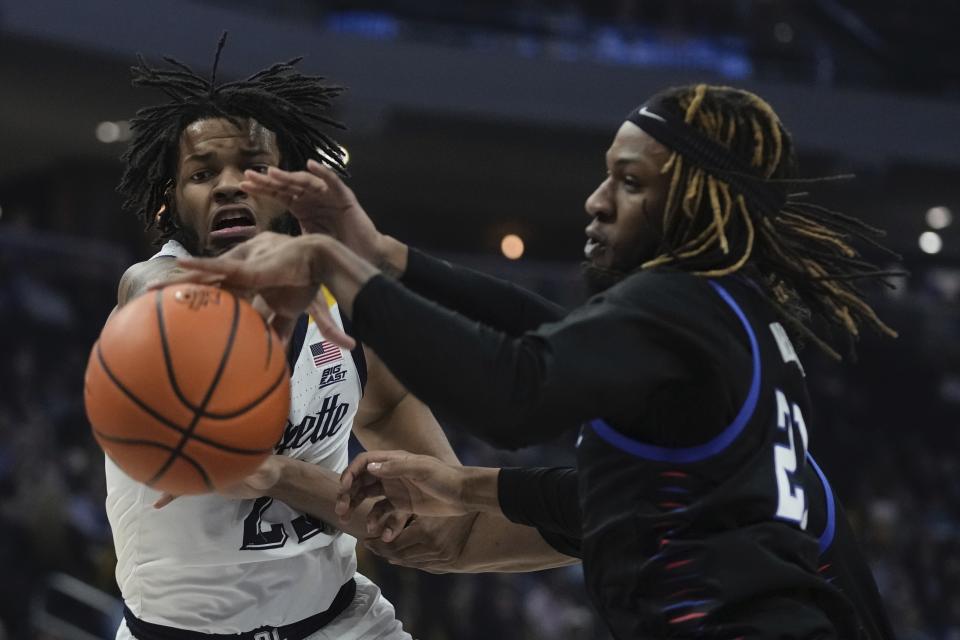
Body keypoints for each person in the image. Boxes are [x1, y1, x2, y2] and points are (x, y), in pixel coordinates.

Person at [173, 84, 899, 638]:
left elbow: (516, 392)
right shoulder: (733, 316)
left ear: (695, 204)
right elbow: (579, 395)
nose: (596, 201)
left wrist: (337, 267)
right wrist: (386, 258)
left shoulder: (677, 305)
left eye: (630, 181)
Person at [105, 36, 470, 640]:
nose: (229, 186)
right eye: (202, 174)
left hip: (342, 621)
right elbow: (152, 292)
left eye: (251, 168)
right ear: (170, 208)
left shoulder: (344, 303)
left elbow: (393, 406)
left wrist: (441, 499)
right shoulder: (156, 286)